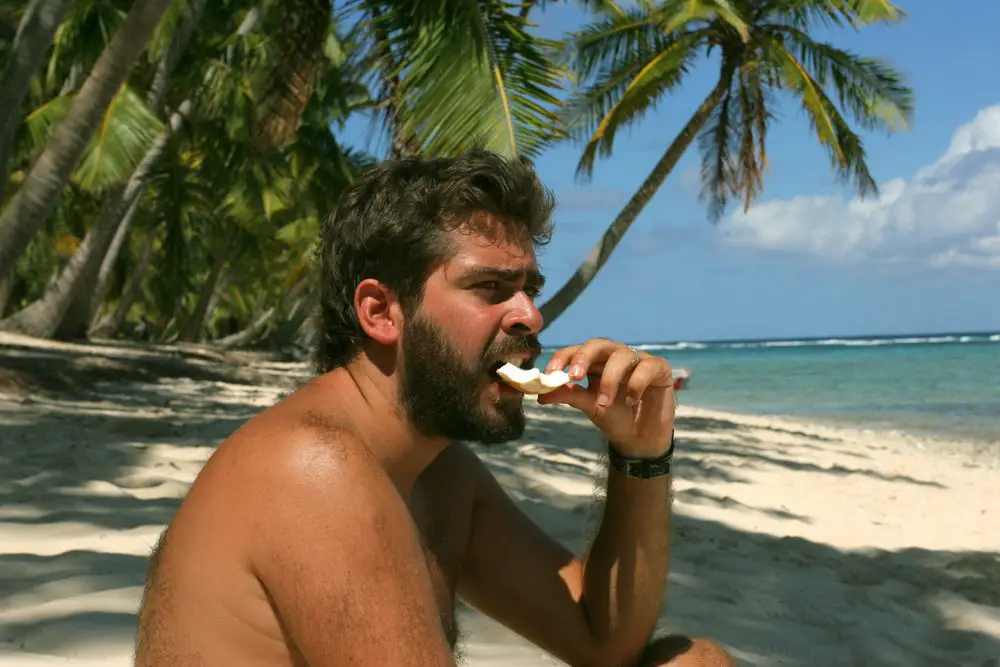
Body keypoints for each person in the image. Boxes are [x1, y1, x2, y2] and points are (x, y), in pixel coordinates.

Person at [133, 151, 736, 667]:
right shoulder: (313, 469)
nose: (532, 317)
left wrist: (642, 453)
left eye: (529, 289)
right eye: (490, 289)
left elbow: (603, 640)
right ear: (381, 312)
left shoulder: (438, 474)